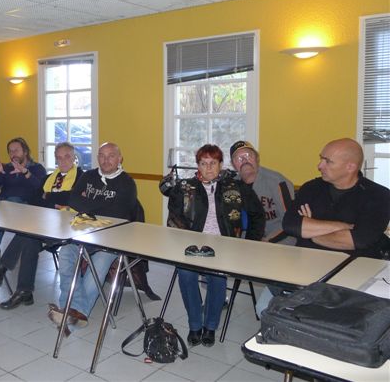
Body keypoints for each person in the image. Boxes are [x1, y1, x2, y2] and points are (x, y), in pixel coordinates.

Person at [160, 144, 264, 347]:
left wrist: (250, 244)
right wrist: (185, 242)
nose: (208, 168)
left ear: (221, 164)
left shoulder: (235, 186)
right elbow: (173, 219)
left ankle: (210, 326)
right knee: (186, 274)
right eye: (203, 163)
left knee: (217, 278)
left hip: (224, 246)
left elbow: (257, 215)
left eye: (213, 163)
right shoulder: (185, 188)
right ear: (197, 165)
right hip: (191, 245)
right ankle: (195, 325)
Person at [47, 142, 138, 333]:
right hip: (82, 233)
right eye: (102, 155)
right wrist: (100, 205)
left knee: (97, 267)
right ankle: (73, 312)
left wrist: (88, 204)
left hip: (112, 238)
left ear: (119, 158)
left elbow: (118, 212)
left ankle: (71, 312)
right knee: (65, 255)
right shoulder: (88, 176)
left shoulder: (127, 183)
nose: (106, 160)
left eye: (111, 155)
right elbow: (73, 200)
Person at [0, 142, 83, 309]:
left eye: (67, 157)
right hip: (44, 225)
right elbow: (35, 199)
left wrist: (47, 197)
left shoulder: (82, 178)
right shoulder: (50, 177)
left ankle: (2, 270)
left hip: (68, 228)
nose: (63, 161)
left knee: (28, 234)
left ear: (74, 158)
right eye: (59, 158)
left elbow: (72, 199)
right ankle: (23, 291)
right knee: (29, 239)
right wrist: (53, 201)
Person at [283, 138, 390, 258]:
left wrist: (309, 232)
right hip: (307, 260)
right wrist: (342, 226)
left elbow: (359, 240)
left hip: (355, 264)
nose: (319, 166)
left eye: (328, 161)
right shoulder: (311, 188)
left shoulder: (378, 195)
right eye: (321, 159)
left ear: (350, 167)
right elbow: (290, 225)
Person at [229, 140, 295, 314]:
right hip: (251, 237)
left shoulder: (277, 181)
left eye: (248, 155)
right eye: (238, 158)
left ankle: (284, 302)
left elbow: (291, 222)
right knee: (214, 255)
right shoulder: (232, 185)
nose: (245, 160)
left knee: (267, 258)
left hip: (280, 236)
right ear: (233, 164)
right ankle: (218, 298)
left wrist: (266, 241)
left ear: (257, 158)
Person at [0, 137, 46, 282]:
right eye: (10, 151)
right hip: (4, 208)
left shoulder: (37, 168)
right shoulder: (7, 168)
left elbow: (41, 189)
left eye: (16, 150)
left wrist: (25, 172)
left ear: (25, 152)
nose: (13, 154)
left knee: (12, 201)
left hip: (27, 210)